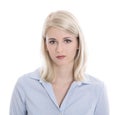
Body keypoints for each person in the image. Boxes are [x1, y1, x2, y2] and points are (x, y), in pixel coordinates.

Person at [10, 10, 109, 115]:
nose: (59, 49)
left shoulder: (97, 89)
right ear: (45, 45)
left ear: (78, 43)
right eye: (52, 42)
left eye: (67, 41)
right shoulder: (25, 85)